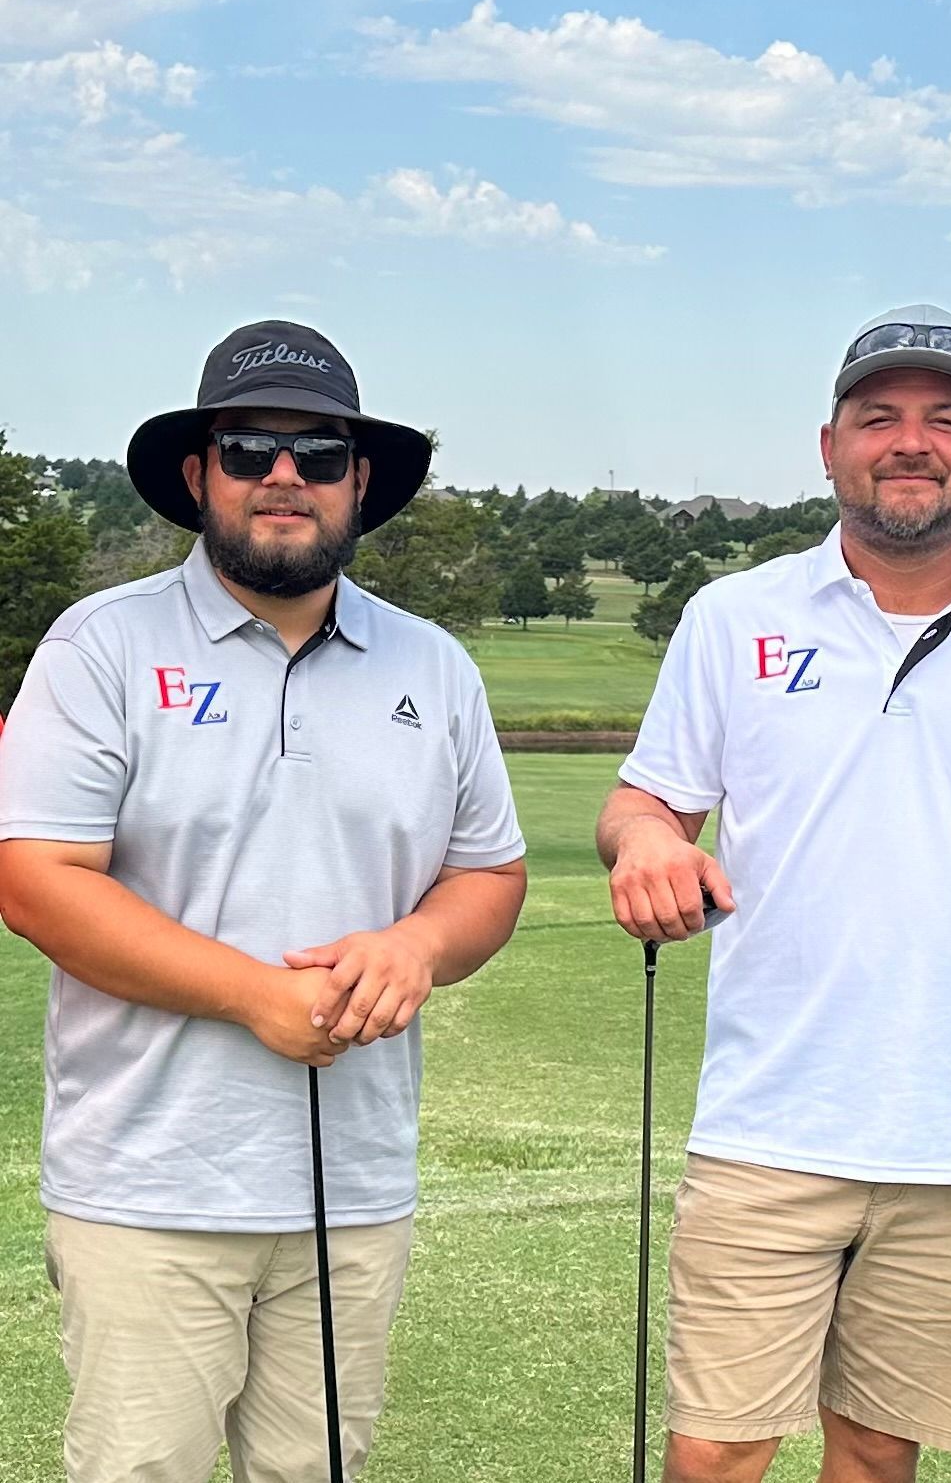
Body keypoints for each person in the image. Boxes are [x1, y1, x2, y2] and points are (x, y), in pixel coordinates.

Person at [596, 305, 951, 1483]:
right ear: (828, 445)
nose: (910, 441)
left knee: (874, 1451)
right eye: (879, 417)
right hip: (767, 1121)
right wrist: (647, 840)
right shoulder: (733, 616)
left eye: (943, 419)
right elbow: (640, 806)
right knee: (714, 1451)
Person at [0, 321, 527, 1483]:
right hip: (148, 1184)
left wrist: (418, 947)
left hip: (356, 1181)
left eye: (318, 454)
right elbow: (37, 881)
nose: (284, 476)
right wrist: (255, 997)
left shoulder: (432, 665)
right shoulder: (101, 647)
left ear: (359, 482)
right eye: (248, 448)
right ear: (198, 477)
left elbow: (488, 874)